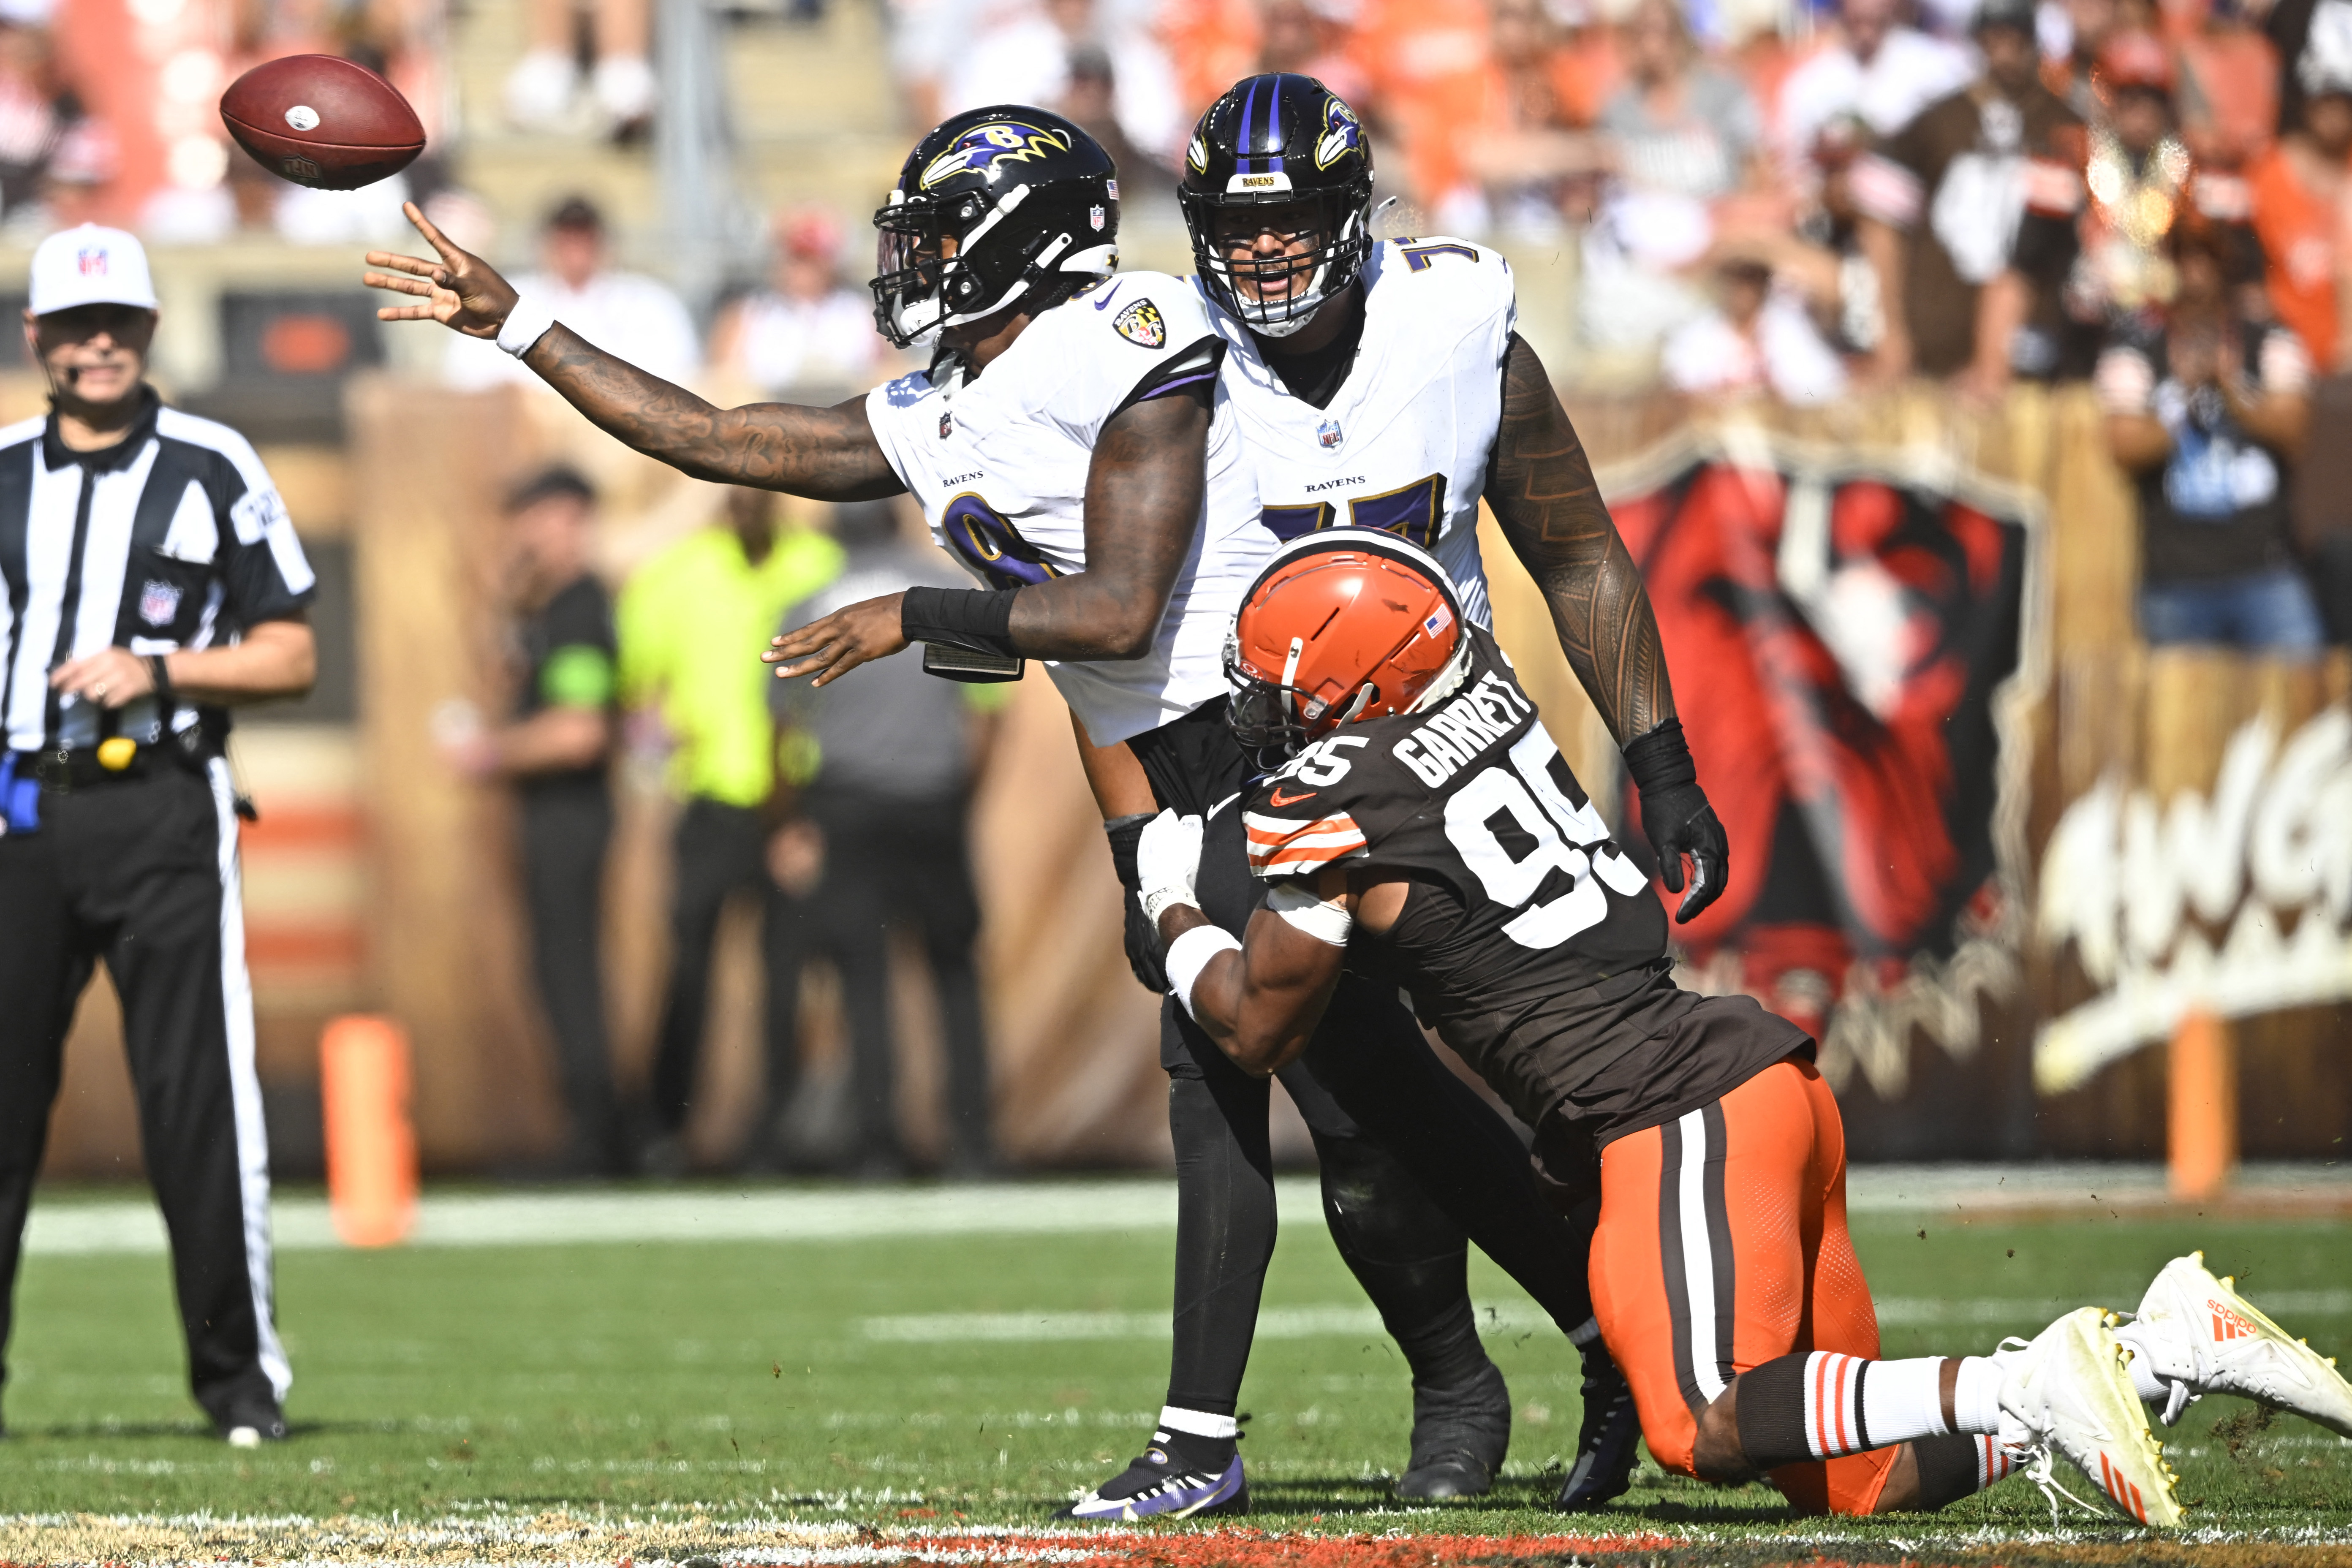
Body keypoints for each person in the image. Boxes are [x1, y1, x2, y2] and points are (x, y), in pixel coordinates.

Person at [1136, 527, 2352, 1524]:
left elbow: (1255, 1031)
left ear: (1356, 688)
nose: (1261, 704)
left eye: (1279, 682)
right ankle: (2168, 1352)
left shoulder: (1335, 801)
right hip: (1753, 1095)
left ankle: (2022, 1378)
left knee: (1697, 1419)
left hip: (1673, 1119)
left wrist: (1173, 899)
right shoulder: (1488, 707)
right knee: (1855, 1478)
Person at [1046, 73, 1731, 1520]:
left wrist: (1657, 760)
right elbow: (1110, 641)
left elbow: (1580, 553)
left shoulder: (1455, 326)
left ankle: (1638, 1348)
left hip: (1456, 763)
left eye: (1290, 221)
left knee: (1555, 1093)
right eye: (1231, 229)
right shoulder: (1163, 381)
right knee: (1317, 1095)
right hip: (1270, 774)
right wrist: (1141, 844)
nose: (1261, 256)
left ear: (1351, 216)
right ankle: (1448, 1382)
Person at [0, 224, 315, 1443]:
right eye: (76, 326)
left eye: (118, 323)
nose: (98, 346)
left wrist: (159, 669)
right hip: (20, 809)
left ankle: (238, 1385)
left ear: (147, 330)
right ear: (38, 339)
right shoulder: (5, 469)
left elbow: (291, 651)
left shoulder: (210, 463)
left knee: (197, 1103)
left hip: (163, 807)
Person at [770, 500, 1004, 1178]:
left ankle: (878, 1145)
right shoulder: (953, 596)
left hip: (846, 803)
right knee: (955, 974)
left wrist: (787, 818)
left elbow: (784, 729)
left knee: (862, 978)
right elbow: (985, 715)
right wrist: (961, 793)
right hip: (933, 799)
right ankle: (974, 1143)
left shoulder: (806, 605)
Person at [617, 485, 843, 1174]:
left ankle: (775, 1138)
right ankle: (664, 1129)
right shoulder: (676, 572)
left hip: (802, 803)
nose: (746, 498)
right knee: (688, 971)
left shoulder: (821, 567)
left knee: (789, 976)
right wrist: (652, 758)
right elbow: (636, 692)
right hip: (713, 799)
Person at [441, 466, 624, 1173]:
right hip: (552, 815)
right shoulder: (548, 605)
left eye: (535, 515)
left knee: (568, 971)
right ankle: (591, 1130)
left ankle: (595, 1139)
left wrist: (489, 753)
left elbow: (578, 730)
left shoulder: (579, 606)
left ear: (570, 517)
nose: (522, 532)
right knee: (556, 970)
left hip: (569, 816)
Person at [2097, 222, 2328, 652]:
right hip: (2176, 580)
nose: (2194, 273)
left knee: (2304, 700)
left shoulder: (2269, 341)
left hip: (2266, 569)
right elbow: (2124, 448)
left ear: (2225, 267)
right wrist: (2184, 395)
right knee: (2178, 716)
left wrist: (2230, 390)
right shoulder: (2134, 351)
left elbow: (2294, 432)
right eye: (2182, 259)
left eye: (2204, 258)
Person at [1849, 0, 2086, 396]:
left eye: (2015, 39)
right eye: (1994, 39)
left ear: (2033, 42)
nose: (2005, 51)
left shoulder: (2064, 125)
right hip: (1935, 345)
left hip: (2032, 357)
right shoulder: (1941, 119)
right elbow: (1877, 211)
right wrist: (1890, 331)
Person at [441, 196, 699, 392]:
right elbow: (466, 377)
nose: (576, 249)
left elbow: (679, 378)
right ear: (547, 242)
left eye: (584, 237)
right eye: (567, 237)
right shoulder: (508, 298)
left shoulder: (650, 304)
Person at [708, 209, 897, 404]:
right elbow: (721, 382)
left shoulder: (861, 312)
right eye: (795, 258)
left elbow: (889, 373)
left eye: (811, 260)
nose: (801, 270)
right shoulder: (745, 315)